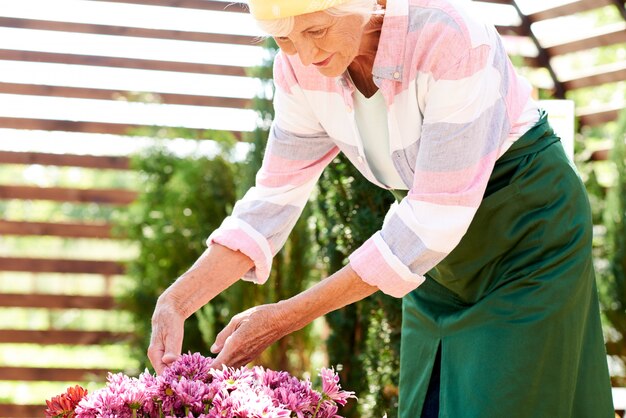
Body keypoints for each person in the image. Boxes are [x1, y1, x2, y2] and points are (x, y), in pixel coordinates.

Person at [148, 0, 615, 416]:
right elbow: (272, 199)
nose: (306, 55)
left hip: (527, 239)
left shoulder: (452, 35)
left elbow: (433, 219)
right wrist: (176, 301)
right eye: (285, 40)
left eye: (315, 31)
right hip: (435, 264)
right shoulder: (297, 70)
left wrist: (286, 317)